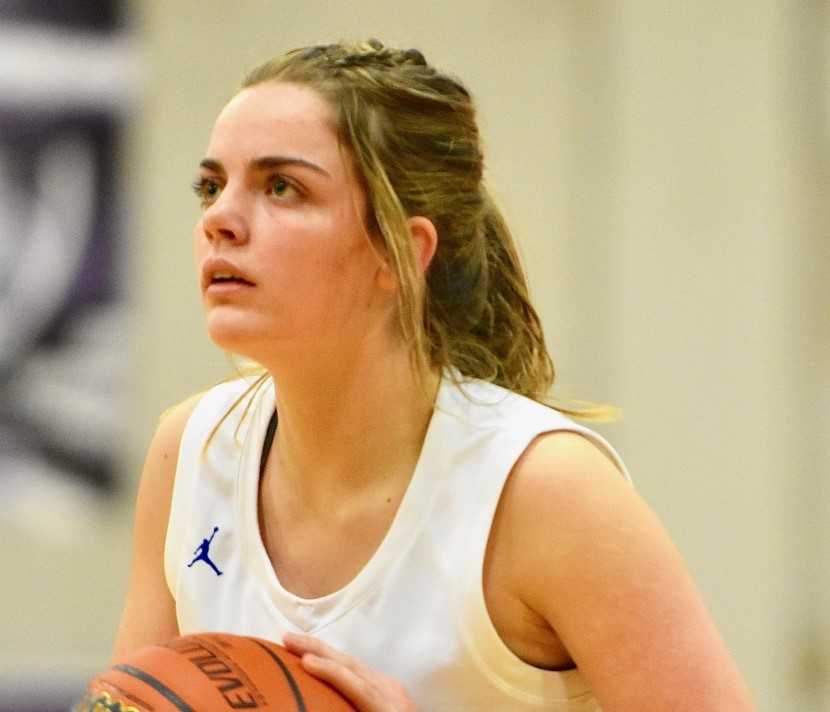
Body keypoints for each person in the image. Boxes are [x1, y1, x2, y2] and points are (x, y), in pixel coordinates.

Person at [114, 39, 755, 711]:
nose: (220, 220)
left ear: (399, 253)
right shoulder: (189, 451)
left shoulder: (544, 492)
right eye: (211, 186)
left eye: (282, 187)